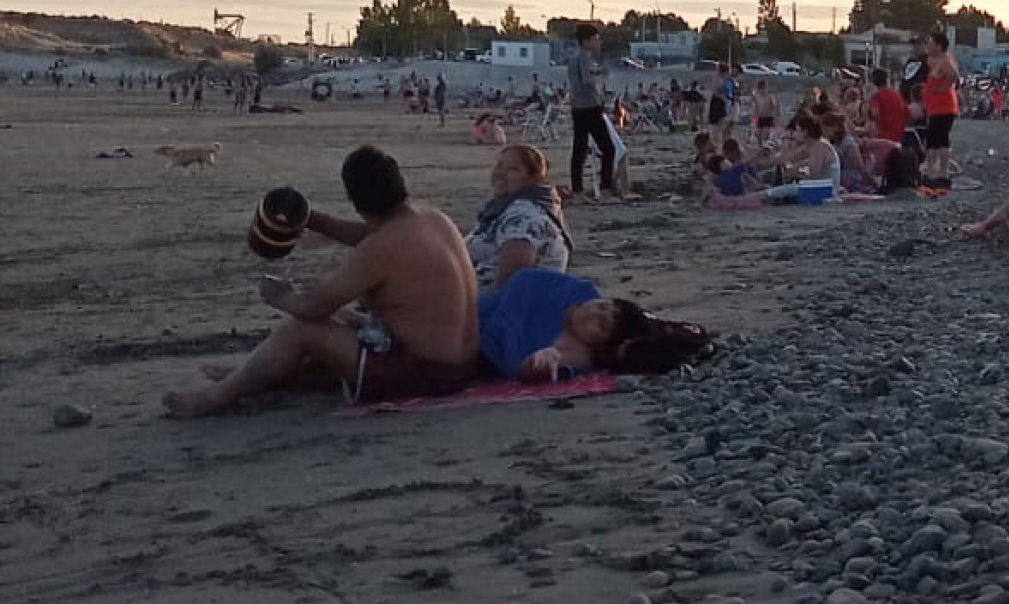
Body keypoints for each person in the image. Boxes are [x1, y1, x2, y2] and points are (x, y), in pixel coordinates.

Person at [163, 146, 479, 416]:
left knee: (302, 330)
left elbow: (314, 307)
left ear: (356, 201)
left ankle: (219, 395)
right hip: (463, 363)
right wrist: (312, 220)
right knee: (342, 318)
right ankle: (253, 374)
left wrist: (279, 295)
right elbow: (370, 234)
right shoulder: (432, 219)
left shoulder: (381, 247)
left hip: (426, 375)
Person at [478, 268, 713, 381]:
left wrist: (538, 364)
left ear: (602, 345)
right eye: (601, 306)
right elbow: (526, 282)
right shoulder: (575, 290)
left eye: (600, 325)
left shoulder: (577, 354)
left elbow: (528, 367)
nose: (592, 314)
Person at [466, 144, 572, 292]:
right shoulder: (503, 208)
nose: (500, 173)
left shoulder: (525, 217)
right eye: (500, 165)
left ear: (533, 179)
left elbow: (512, 278)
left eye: (513, 169)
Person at [566, 24, 620, 202]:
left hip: (578, 107)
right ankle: (605, 191)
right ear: (586, 40)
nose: (599, 42)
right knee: (608, 149)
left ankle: (578, 192)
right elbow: (588, 80)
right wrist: (601, 75)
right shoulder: (584, 57)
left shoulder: (575, 58)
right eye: (596, 38)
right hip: (589, 106)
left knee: (579, 150)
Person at [917, 32, 961, 196]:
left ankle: (941, 173)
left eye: (931, 42)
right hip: (936, 107)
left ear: (939, 45)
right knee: (934, 139)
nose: (928, 45)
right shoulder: (935, 60)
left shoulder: (945, 61)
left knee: (939, 140)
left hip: (944, 107)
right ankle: (933, 172)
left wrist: (941, 89)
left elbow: (954, 76)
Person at [751, 80, 780, 149]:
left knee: (766, 133)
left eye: (765, 89)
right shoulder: (756, 97)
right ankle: (761, 147)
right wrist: (754, 118)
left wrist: (775, 117)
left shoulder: (770, 97)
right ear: (759, 89)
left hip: (768, 117)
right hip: (759, 117)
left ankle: (767, 146)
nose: (763, 91)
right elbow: (755, 108)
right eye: (761, 89)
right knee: (759, 134)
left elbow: (775, 107)